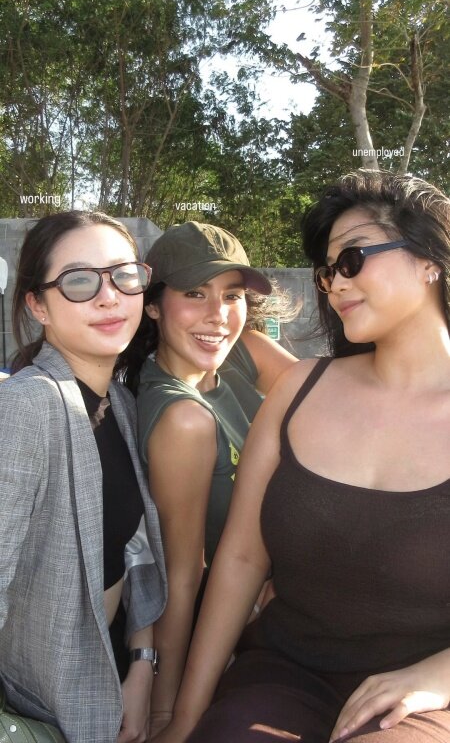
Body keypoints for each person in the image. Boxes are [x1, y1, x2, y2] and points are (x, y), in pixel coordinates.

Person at [153, 170, 450, 743]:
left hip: (421, 699)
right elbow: (241, 561)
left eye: (352, 259)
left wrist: (438, 675)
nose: (335, 285)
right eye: (327, 270)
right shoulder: (299, 390)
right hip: (284, 676)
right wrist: (186, 718)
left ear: (429, 260)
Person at [117, 221, 298, 736]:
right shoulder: (183, 420)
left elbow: (331, 408)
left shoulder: (245, 352)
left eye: (232, 295)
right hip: (243, 623)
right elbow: (182, 576)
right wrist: (168, 713)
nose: (218, 314)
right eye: (195, 293)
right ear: (154, 305)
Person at [0, 211, 167, 743]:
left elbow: (134, 550)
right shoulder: (26, 407)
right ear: (37, 305)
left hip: (114, 666)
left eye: (124, 275)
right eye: (78, 282)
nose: (109, 297)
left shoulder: (120, 402)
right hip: (47, 698)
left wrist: (141, 664)